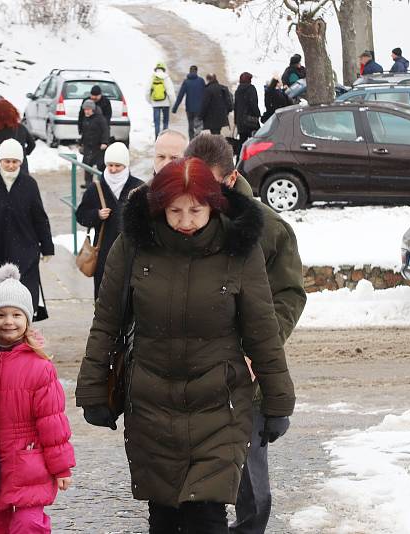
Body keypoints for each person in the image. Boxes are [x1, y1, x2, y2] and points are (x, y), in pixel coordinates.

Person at [76, 157, 296, 534]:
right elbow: (107, 323)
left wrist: (278, 402)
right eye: (175, 211)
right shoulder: (133, 246)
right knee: (164, 517)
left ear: (214, 204)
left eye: (196, 210)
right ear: (160, 206)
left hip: (219, 402)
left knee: (206, 517)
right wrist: (93, 388)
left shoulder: (238, 250)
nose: (186, 221)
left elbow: (262, 332)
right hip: (150, 403)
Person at [184, 133, 306, 533]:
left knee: (252, 489)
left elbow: (289, 295)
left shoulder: (269, 229)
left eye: (209, 187)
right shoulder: (173, 219)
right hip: (186, 376)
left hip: (245, 376)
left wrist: (258, 347)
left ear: (232, 178)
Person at [0, 263, 75, 534]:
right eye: (0, 314)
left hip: (29, 460)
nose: (8, 322)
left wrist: (61, 467)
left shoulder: (39, 366)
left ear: (28, 319)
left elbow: (52, 422)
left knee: (28, 525)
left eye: (16, 314)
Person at [0, 139, 54, 319]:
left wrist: (47, 246)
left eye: (15, 161)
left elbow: (39, 217)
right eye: (7, 161)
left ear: (21, 162)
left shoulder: (29, 184)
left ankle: (24, 335)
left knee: (23, 300)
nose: (11, 165)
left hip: (25, 249)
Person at [75, 141, 144, 298]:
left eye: (117, 166)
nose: (112, 170)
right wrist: (96, 215)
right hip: (104, 255)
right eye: (110, 165)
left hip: (131, 255)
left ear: (125, 165)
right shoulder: (96, 188)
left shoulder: (138, 188)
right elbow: (81, 216)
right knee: (103, 298)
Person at [0, 98, 36, 175]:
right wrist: (23, 153)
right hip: (21, 166)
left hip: (5, 169)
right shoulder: (21, 128)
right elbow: (32, 144)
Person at [79, 100, 110, 188]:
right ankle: (88, 184)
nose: (86, 111)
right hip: (88, 146)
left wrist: (104, 142)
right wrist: (81, 142)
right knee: (87, 165)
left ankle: (102, 184)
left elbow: (105, 131)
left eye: (88, 109)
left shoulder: (100, 119)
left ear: (93, 109)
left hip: (99, 147)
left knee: (101, 165)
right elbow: (84, 132)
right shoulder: (85, 118)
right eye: (85, 109)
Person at [172, 65, 206, 139]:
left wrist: (175, 108)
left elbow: (180, 96)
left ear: (189, 71)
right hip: (199, 108)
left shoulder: (186, 82)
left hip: (189, 109)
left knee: (190, 125)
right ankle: (197, 140)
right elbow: (206, 94)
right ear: (196, 71)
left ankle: (191, 142)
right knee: (198, 126)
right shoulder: (201, 81)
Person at [234, 72, 262, 157]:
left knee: (242, 141)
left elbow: (236, 106)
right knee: (256, 140)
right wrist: (258, 114)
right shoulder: (251, 89)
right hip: (250, 120)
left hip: (241, 121)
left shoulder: (238, 90)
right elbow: (253, 103)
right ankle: (255, 159)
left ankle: (240, 161)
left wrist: (236, 120)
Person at [146, 61, 176, 138]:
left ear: (156, 69)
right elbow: (170, 92)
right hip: (166, 103)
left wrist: (150, 101)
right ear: (163, 69)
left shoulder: (152, 78)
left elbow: (147, 91)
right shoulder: (166, 77)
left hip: (155, 103)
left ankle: (157, 139)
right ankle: (164, 138)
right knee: (165, 122)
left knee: (157, 123)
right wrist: (173, 103)